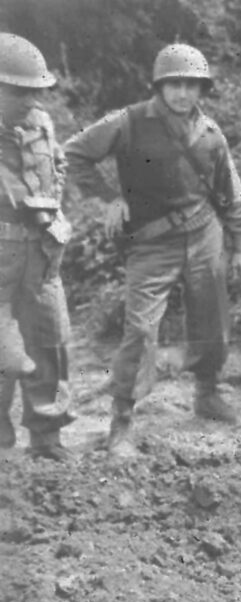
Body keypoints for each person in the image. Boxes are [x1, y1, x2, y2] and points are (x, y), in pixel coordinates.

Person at [64, 43, 241, 458]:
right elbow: (74, 154)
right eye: (174, 84)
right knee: (142, 329)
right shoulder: (127, 122)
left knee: (213, 319)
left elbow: (231, 195)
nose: (183, 93)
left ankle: (207, 392)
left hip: (205, 233)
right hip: (151, 241)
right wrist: (110, 197)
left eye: (191, 85)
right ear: (160, 86)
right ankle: (122, 423)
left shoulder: (211, 134)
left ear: (202, 89)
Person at [0, 33, 75, 461]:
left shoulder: (41, 123)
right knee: (5, 356)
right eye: (17, 92)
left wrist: (51, 205)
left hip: (42, 255)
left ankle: (47, 437)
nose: (29, 101)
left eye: (35, 92)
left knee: (51, 339)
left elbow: (59, 162)